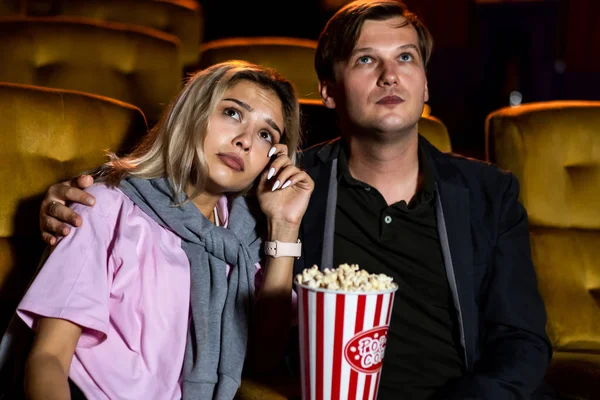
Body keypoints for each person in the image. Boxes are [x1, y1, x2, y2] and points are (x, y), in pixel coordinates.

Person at [37, 1, 553, 399]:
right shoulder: (282, 184)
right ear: (328, 90)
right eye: (367, 59)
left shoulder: (490, 195)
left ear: (424, 85)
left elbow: (522, 342)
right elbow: (175, 196)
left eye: (406, 58)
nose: (390, 75)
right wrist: (79, 195)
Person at [7, 60, 314, 400]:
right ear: (191, 113)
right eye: (232, 113)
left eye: (265, 134)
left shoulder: (241, 241)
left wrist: (284, 227)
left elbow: (264, 359)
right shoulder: (104, 206)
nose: (245, 141)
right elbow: (47, 360)